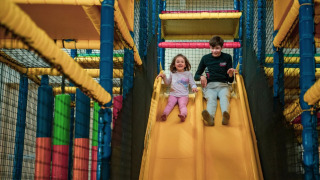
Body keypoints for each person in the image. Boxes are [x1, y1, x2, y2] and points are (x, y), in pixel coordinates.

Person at [194, 36, 236, 126]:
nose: (215, 51)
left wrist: (231, 74)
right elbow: (196, 76)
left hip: (223, 85)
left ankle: (225, 115)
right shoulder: (205, 58)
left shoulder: (227, 57)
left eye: (217, 48)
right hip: (210, 86)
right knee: (211, 100)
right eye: (212, 48)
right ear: (210, 47)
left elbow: (230, 80)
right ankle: (210, 118)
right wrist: (201, 76)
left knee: (224, 98)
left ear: (222, 47)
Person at [157, 54, 198, 122]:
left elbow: (192, 83)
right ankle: (164, 114)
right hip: (173, 95)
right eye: (177, 62)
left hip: (183, 95)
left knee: (182, 105)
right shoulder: (172, 73)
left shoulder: (188, 74)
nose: (180, 63)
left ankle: (183, 115)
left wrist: (194, 87)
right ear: (174, 64)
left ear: (185, 65)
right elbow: (167, 83)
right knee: (170, 104)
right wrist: (164, 77)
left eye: (182, 62)